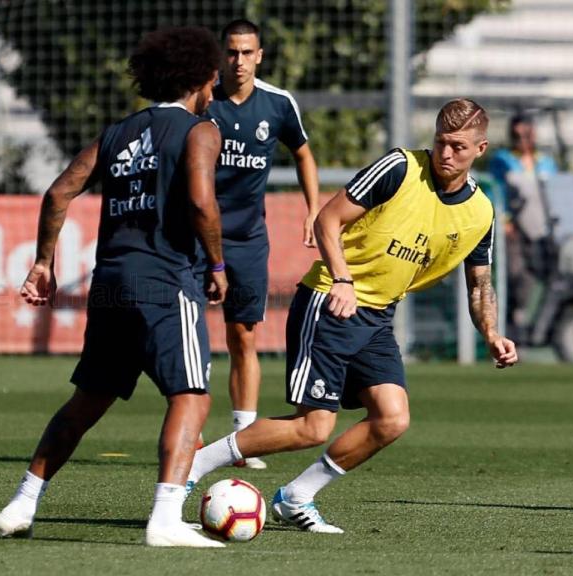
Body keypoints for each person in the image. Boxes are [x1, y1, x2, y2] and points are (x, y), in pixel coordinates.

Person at [187, 98, 519, 533]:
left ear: (480, 149)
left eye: (458, 146)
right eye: (440, 141)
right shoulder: (399, 168)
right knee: (312, 427)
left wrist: (492, 331)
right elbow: (328, 220)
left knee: (392, 418)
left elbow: (479, 283)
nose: (446, 153)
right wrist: (342, 280)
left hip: (378, 316)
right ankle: (194, 463)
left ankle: (296, 496)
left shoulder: (481, 213)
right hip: (329, 300)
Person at [0, 26, 228, 548]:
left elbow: (58, 193)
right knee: (191, 396)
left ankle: (21, 502)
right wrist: (216, 264)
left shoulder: (118, 133)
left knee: (87, 402)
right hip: (168, 282)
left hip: (112, 284)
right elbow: (201, 201)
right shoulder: (200, 131)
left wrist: (43, 263)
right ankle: (166, 518)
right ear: (202, 77)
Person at [205, 19, 321, 469]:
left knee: (243, 336)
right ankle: (189, 431)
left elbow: (304, 154)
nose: (238, 61)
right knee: (190, 336)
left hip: (250, 238)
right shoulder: (203, 99)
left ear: (260, 55)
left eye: (246, 52)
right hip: (199, 236)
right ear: (222, 55)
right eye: (231, 52)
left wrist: (312, 209)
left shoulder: (277, 103)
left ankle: (240, 437)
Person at [488, 113, 558, 334]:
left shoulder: (546, 163)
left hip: (543, 231)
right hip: (514, 231)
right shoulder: (503, 160)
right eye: (517, 135)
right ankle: (512, 325)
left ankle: (534, 325)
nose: (523, 139)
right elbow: (494, 191)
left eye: (526, 134)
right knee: (516, 275)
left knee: (544, 276)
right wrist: (505, 220)